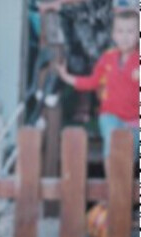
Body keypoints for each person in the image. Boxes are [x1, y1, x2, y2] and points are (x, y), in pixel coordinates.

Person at [56, 10, 138, 169]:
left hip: (134, 120)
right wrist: (67, 77)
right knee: (112, 145)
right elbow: (92, 81)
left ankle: (121, 187)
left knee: (129, 157)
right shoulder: (107, 58)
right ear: (113, 35)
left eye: (130, 31)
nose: (125, 36)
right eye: (120, 31)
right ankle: (110, 185)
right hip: (110, 115)